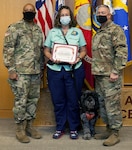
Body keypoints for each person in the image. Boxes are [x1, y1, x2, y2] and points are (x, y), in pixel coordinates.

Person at [44, 5, 86, 139]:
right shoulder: (52, 32)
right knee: (58, 100)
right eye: (62, 15)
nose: (64, 17)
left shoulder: (77, 32)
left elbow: (84, 50)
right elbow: (46, 50)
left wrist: (78, 58)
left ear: (71, 17)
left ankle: (73, 127)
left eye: (66, 15)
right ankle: (60, 127)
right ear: (59, 17)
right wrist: (51, 57)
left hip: (73, 70)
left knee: (73, 100)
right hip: (55, 70)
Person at [3, 3, 44, 143]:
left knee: (33, 100)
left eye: (31, 11)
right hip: (20, 73)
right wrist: (11, 69)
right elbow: (8, 49)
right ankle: (20, 129)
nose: (29, 13)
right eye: (26, 11)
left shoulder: (38, 29)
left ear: (35, 13)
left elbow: (40, 51)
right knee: (21, 101)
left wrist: (42, 69)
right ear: (22, 12)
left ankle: (30, 126)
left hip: (35, 72)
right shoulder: (15, 28)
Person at [92, 5, 128, 146]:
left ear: (109, 15)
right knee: (102, 104)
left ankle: (115, 133)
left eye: (103, 13)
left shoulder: (115, 30)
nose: (100, 15)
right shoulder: (100, 31)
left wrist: (115, 71)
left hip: (110, 75)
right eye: (98, 12)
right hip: (100, 74)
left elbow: (121, 52)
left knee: (112, 105)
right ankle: (108, 129)